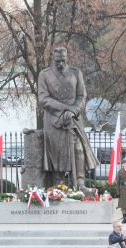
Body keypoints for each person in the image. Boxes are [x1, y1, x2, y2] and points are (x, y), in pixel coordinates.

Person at [38, 46, 99, 191]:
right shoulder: (44, 74)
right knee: (57, 151)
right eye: (57, 61)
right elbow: (43, 98)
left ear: (67, 58)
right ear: (54, 59)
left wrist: (73, 110)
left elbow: (82, 96)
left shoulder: (76, 73)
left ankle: (81, 183)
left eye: (63, 61)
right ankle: (59, 183)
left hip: (74, 118)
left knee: (78, 149)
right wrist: (65, 109)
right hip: (53, 119)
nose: (60, 64)